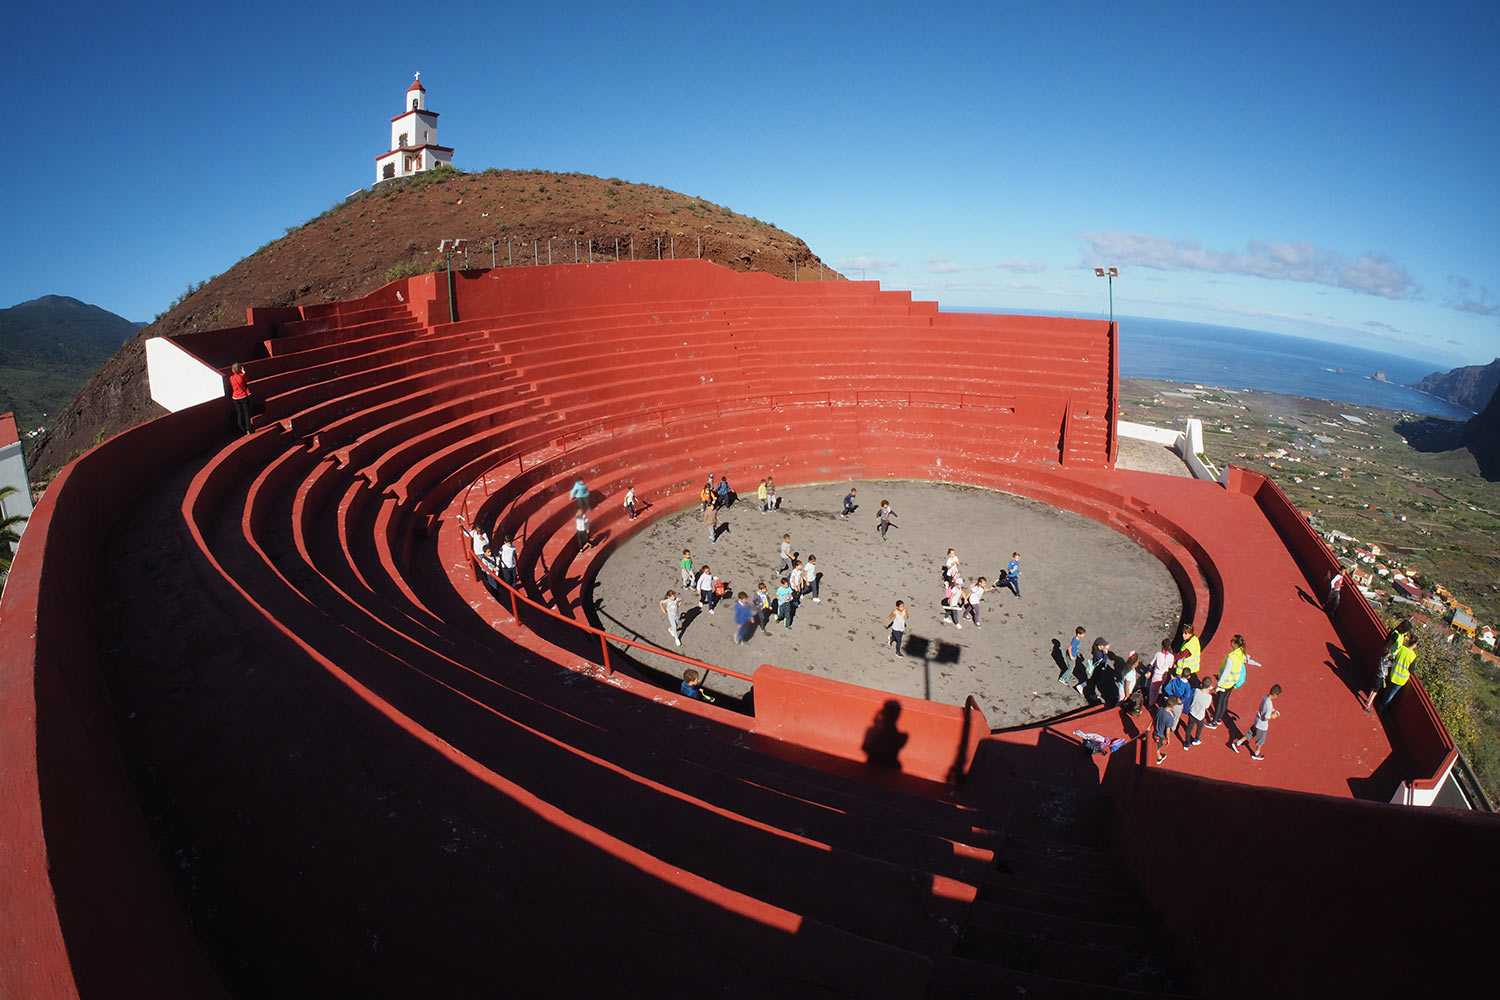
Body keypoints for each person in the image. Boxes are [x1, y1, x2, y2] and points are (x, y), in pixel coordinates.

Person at [1208, 634, 1259, 729]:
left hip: (1225, 683)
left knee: (1220, 702)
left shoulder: (1231, 657)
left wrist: (1218, 685)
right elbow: (1247, 660)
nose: (1230, 641)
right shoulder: (1241, 652)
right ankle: (1219, 718)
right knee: (1225, 700)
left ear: (1235, 644)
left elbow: (1225, 672)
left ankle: (1214, 721)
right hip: (1232, 682)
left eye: (1232, 640)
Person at [1364, 623, 1409, 712]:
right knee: (1377, 686)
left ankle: (1369, 700)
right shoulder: (1396, 635)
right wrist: (1389, 655)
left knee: (1376, 685)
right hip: (1385, 664)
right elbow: (1387, 646)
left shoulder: (1400, 634)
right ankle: (1368, 703)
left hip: (1387, 662)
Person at [1231, 684, 1282, 760]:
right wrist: (1273, 716)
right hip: (1262, 726)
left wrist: (1274, 710)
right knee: (1260, 741)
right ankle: (1256, 754)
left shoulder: (1266, 697)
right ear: (1275, 695)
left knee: (1250, 734)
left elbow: (1265, 708)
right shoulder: (1269, 705)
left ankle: (1237, 743)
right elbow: (1266, 718)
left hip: (1257, 721)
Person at [1374, 630, 1415, 714]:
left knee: (1387, 690)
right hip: (1401, 679)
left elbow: (1394, 656)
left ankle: (1380, 702)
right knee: (1391, 694)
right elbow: (1411, 670)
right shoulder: (1413, 656)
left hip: (1393, 674)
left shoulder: (1402, 648)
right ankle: (1382, 707)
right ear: (1415, 645)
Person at [1181, 675, 1216, 748]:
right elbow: (1206, 707)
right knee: (1200, 727)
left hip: (1192, 712)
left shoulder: (1196, 691)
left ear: (1201, 684)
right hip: (1200, 715)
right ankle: (1196, 738)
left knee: (1189, 727)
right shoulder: (1209, 697)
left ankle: (1187, 743)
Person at [1148, 638, 1176, 708]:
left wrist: (1149, 670)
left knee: (1152, 689)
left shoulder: (1158, 654)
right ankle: (1154, 701)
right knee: (1158, 689)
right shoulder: (1171, 657)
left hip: (1156, 674)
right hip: (1164, 675)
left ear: (1162, 646)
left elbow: (1151, 664)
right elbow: (1170, 666)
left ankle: (1151, 703)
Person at [1153, 695, 1181, 765]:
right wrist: (1168, 739)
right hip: (1161, 735)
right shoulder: (1169, 718)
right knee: (1158, 747)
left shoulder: (1160, 709)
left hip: (1155, 731)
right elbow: (1168, 730)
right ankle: (1159, 758)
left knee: (1156, 745)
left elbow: (1155, 717)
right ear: (1173, 706)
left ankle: (1158, 754)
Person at [229, 362, 253, 436]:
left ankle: (241, 428)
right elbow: (247, 380)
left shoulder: (231, 378)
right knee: (246, 413)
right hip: (243, 396)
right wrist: (244, 373)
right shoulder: (242, 376)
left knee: (239, 413)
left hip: (235, 397)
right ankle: (249, 429)